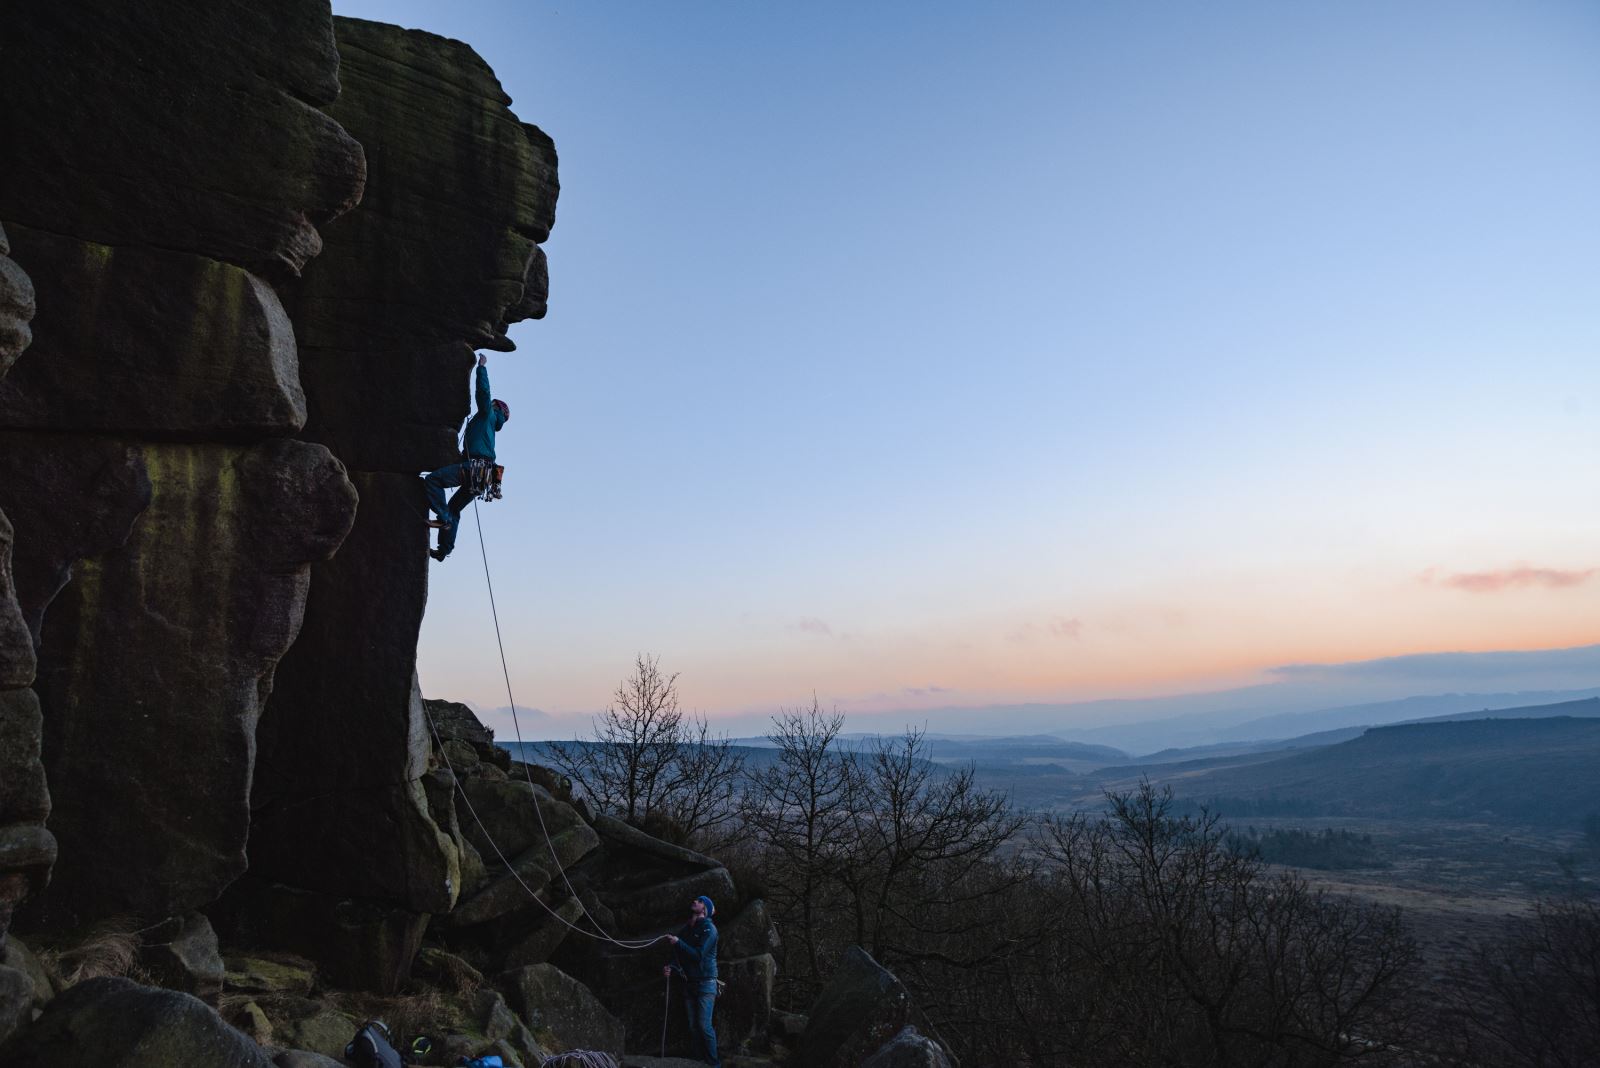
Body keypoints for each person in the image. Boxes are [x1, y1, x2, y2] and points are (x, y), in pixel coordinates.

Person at [423, 353, 509, 561]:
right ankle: (444, 550)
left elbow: (483, 393)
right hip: (483, 477)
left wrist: (481, 368)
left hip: (474, 468)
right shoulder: (489, 427)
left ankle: (443, 518)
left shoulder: (487, 414)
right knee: (455, 509)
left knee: (433, 480)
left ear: (495, 406)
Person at [663, 895, 720, 1067]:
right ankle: (697, 1062)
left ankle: (714, 1064)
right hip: (689, 983)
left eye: (700, 901)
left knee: (704, 1026)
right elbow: (679, 955)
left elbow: (698, 955)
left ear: (704, 909)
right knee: (693, 1027)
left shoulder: (710, 929)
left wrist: (678, 942)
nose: (695, 901)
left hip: (706, 983)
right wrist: (671, 967)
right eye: (696, 900)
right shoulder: (688, 929)